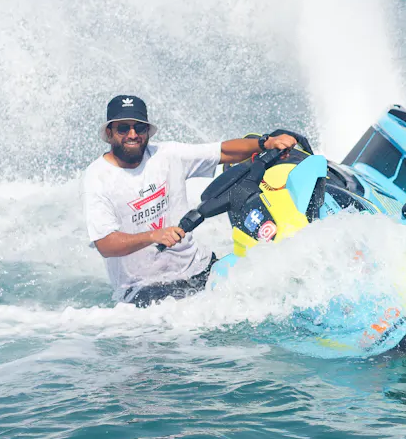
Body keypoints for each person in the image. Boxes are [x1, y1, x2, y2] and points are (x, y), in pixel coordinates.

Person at [82, 94, 297, 306]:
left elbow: (221, 151)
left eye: (139, 128)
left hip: (199, 268)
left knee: (266, 294)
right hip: (141, 289)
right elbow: (105, 244)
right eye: (123, 128)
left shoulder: (167, 155)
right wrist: (153, 236)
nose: (132, 134)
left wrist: (267, 143)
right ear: (109, 133)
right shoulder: (97, 178)